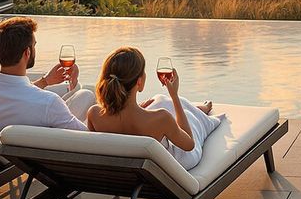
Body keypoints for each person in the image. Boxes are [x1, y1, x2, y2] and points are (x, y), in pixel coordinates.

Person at [86, 47, 220, 171]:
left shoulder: (94, 114)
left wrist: (138, 108)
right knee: (187, 116)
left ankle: (197, 109)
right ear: (139, 82)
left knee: (160, 100)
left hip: (127, 176)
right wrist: (174, 96)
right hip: (175, 164)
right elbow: (189, 145)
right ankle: (200, 112)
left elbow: (100, 150)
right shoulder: (161, 118)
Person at [0, 16, 96, 138]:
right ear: (27, 52)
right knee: (88, 98)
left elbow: (12, 92)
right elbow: (88, 138)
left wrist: (45, 81)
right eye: (34, 45)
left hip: (6, 148)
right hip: (46, 148)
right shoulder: (49, 103)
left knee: (84, 94)